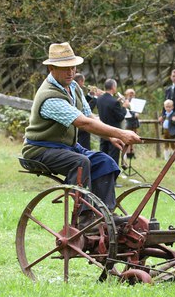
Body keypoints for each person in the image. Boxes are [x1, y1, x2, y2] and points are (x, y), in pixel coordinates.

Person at [22, 42, 141, 213]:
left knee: (105, 161)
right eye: (65, 68)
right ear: (51, 69)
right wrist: (121, 133)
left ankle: (104, 214)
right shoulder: (49, 96)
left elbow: (89, 116)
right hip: (40, 149)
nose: (71, 72)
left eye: (73, 67)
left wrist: (110, 136)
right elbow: (83, 122)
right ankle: (85, 217)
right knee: (80, 162)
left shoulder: (73, 87)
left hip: (66, 147)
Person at [95, 79, 126, 166]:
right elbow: (120, 117)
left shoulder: (99, 99)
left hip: (103, 129)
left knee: (103, 152)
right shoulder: (114, 102)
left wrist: (117, 102)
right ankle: (112, 173)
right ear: (113, 87)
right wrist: (123, 107)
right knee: (113, 154)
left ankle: (102, 172)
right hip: (114, 131)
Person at [73, 73, 101, 150]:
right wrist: (95, 97)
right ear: (81, 81)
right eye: (83, 82)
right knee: (85, 146)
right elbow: (85, 109)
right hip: (81, 126)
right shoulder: (75, 90)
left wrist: (90, 95)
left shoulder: (74, 89)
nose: (84, 84)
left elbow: (83, 101)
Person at [122, 88, 141, 165]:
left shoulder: (135, 102)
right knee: (127, 138)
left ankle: (131, 153)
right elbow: (126, 111)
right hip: (128, 122)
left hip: (134, 122)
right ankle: (126, 153)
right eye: (130, 94)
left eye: (133, 94)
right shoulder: (125, 101)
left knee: (134, 138)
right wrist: (134, 114)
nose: (131, 95)